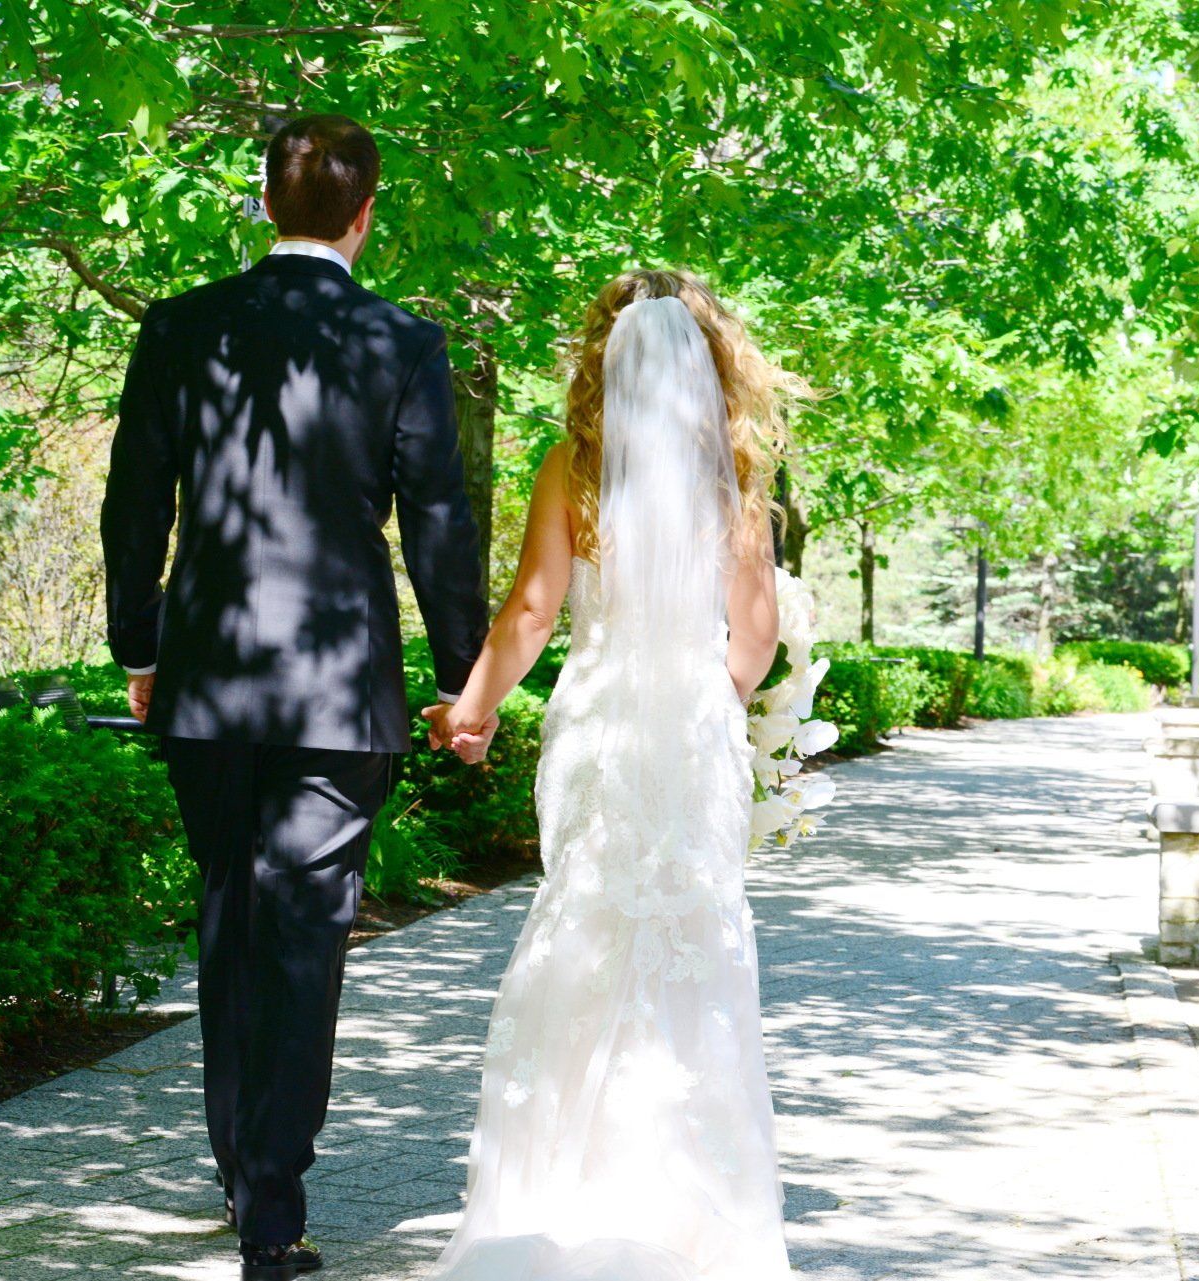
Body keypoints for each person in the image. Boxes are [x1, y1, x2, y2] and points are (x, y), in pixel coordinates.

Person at [100, 113, 492, 1281]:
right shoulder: (403, 343)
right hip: (339, 686)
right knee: (303, 938)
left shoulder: (180, 326)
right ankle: (273, 1208)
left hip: (207, 676)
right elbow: (438, 521)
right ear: (366, 215)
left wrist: (139, 649)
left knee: (231, 912)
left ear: (264, 202)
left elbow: (135, 502)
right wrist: (461, 679)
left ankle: (244, 1170)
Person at [422, 269, 808, 1280]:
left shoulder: (574, 467)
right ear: (712, 365)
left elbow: (531, 613)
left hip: (599, 724)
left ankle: (562, 1194)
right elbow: (756, 633)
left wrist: (471, 709)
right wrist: (708, 698)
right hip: (691, 732)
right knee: (694, 943)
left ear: (606, 358)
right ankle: (689, 1212)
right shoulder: (734, 478)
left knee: (586, 931)